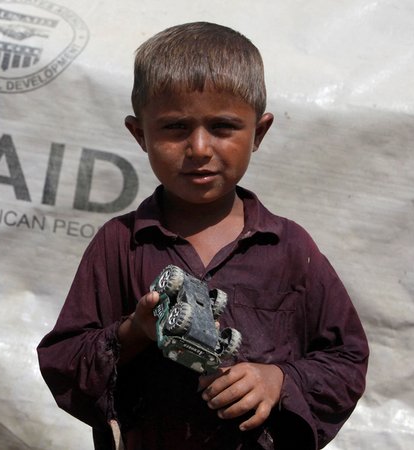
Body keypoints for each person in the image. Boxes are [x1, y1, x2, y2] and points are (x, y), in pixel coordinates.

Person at [37, 22, 369, 450]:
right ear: (140, 134)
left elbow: (346, 359)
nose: (198, 147)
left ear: (259, 133)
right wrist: (134, 332)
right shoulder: (121, 243)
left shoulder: (289, 249)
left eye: (223, 127)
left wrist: (279, 381)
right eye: (175, 128)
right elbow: (63, 362)